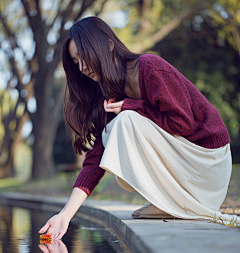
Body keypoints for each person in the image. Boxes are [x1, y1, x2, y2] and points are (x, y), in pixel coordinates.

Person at [39, 16, 238, 240]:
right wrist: (65, 215)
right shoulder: (107, 94)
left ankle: (186, 202)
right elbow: (96, 159)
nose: (82, 67)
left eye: (84, 57)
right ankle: (178, 203)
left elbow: (183, 124)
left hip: (207, 162)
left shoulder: (150, 68)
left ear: (109, 44)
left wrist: (131, 106)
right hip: (184, 169)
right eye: (76, 62)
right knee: (111, 131)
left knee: (124, 122)